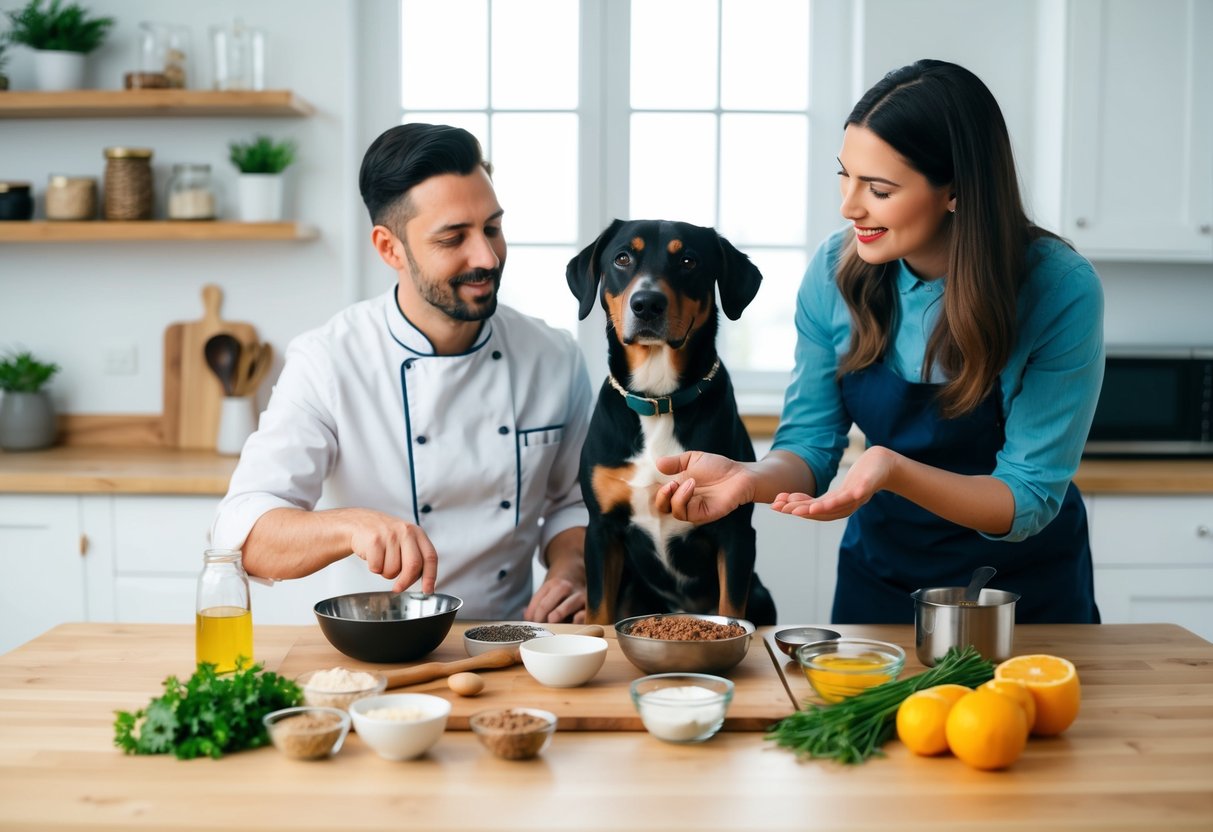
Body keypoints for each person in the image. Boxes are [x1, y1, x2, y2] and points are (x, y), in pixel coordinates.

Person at [655, 59, 1104, 625]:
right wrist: (751, 479)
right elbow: (810, 448)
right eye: (846, 175)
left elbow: (1029, 496)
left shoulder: (1058, 289)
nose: (849, 205)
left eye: (880, 188)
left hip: (1021, 591)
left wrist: (892, 469)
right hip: (885, 583)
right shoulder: (831, 273)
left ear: (957, 191)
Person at [211, 123, 592, 623]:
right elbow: (243, 534)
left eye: (493, 228)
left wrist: (572, 571)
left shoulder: (553, 356)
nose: (487, 256)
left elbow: (575, 504)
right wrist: (349, 527)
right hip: (375, 643)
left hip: (512, 639)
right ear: (390, 248)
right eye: (453, 237)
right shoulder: (328, 361)